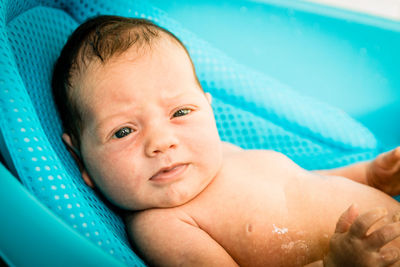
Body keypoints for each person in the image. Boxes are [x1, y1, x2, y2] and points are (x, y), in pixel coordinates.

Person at [52, 15, 400, 266]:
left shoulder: (225, 154)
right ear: (80, 160)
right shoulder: (162, 226)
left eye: (181, 112)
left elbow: (306, 185)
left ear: (208, 108)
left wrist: (369, 176)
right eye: (123, 131)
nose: (161, 141)